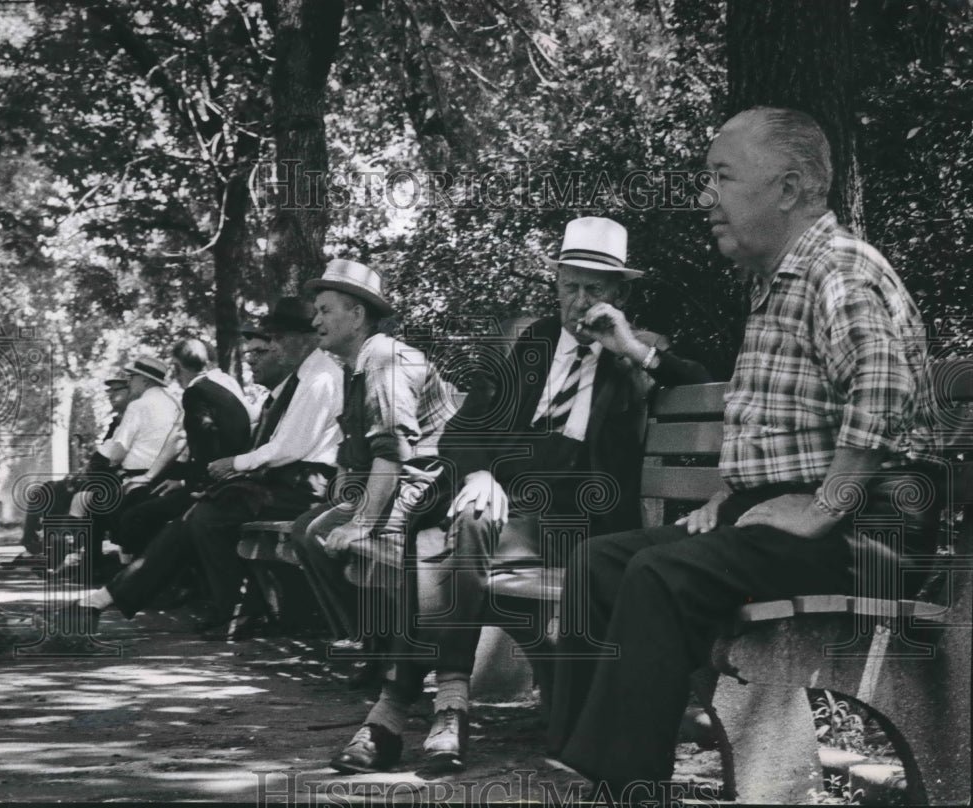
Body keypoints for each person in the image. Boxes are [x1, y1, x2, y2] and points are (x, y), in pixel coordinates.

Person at [546, 107, 940, 799]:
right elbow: (784, 428)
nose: (706, 195)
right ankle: (585, 761)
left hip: (868, 528)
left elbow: (883, 388)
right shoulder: (777, 279)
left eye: (721, 176)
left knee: (660, 575)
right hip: (801, 517)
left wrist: (822, 508)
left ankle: (625, 783)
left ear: (787, 190)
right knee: (600, 562)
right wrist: (735, 498)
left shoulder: (837, 268)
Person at [328, 217, 710, 775]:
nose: (580, 303)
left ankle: (394, 714)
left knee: (444, 539)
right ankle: (448, 706)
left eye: (595, 290)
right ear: (555, 285)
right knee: (465, 519)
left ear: (620, 295)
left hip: (583, 517)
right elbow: (464, 431)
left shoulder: (637, 353)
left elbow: (705, 382)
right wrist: (480, 474)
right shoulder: (532, 343)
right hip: (505, 507)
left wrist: (628, 348)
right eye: (570, 287)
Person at [64, 298, 343, 639]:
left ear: (306, 338)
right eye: (274, 337)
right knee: (195, 515)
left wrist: (234, 465)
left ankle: (236, 610)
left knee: (206, 516)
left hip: (305, 485)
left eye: (280, 337)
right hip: (287, 480)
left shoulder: (321, 379)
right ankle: (105, 598)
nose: (275, 344)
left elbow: (290, 448)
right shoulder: (302, 379)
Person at [289, 259, 453, 687]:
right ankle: (375, 642)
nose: (315, 320)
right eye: (317, 311)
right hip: (400, 486)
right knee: (309, 530)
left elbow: (395, 450)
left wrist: (361, 522)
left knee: (337, 535)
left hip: (432, 492)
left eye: (325, 310)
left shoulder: (383, 358)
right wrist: (345, 496)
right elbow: (356, 448)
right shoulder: (356, 364)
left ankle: (403, 656)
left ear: (357, 315)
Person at [113, 338, 254, 558]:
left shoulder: (196, 392)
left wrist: (178, 481)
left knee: (136, 513)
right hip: (233, 475)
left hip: (216, 483)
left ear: (178, 367)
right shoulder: (225, 383)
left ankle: (144, 578)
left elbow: (199, 443)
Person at [62, 357, 180, 573]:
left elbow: (116, 455)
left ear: (144, 381)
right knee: (93, 494)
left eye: (132, 377)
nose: (130, 381)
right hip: (169, 477)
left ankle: (96, 565)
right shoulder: (175, 404)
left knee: (87, 498)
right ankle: (105, 564)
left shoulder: (138, 406)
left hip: (138, 479)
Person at [9, 376, 133, 568]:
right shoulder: (116, 421)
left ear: (130, 391)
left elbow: (115, 459)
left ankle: (60, 550)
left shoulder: (132, 419)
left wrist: (88, 474)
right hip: (98, 477)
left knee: (64, 493)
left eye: (117, 391)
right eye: (110, 391)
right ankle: (34, 547)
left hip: (112, 480)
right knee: (47, 489)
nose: (111, 395)